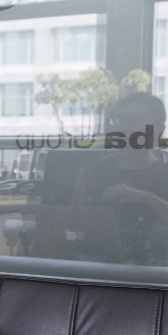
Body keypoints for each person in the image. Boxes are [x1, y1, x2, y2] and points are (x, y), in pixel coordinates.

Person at [71, 91, 168, 266]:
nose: (125, 127)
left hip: (156, 271)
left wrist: (146, 198)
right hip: (98, 267)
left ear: (159, 129)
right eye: (120, 119)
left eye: (135, 119)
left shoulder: (164, 171)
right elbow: (71, 225)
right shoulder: (92, 171)